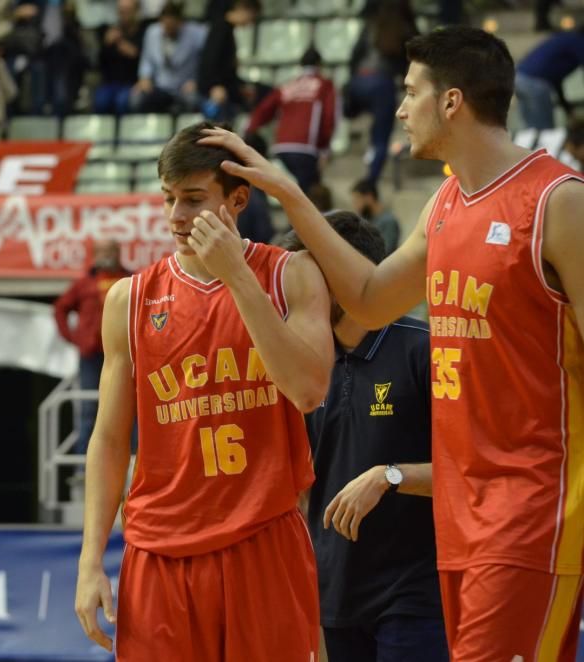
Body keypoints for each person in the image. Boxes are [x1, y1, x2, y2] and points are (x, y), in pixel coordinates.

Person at [200, 24, 584, 661]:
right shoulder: (445, 203)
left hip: (532, 513)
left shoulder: (558, 202)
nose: (399, 108)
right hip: (459, 520)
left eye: (411, 92)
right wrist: (291, 194)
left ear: (452, 101)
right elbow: (372, 296)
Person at [75, 121, 333, 659]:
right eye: (169, 199)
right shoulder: (130, 298)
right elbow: (107, 439)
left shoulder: (292, 276)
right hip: (159, 549)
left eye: (193, 199)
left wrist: (237, 276)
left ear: (237, 199)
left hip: (262, 537)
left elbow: (308, 390)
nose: (176, 216)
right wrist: (90, 560)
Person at [280, 213, 448, 662]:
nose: (294, 287)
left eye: (307, 273)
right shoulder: (299, 364)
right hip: (332, 598)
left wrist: (390, 476)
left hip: (416, 595)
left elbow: (472, 474)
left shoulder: (424, 350)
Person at [53, 240, 131, 457]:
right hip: (91, 354)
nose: (107, 254)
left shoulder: (131, 279)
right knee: (88, 409)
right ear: (95, 254)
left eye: (111, 250)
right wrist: (73, 338)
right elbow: (60, 308)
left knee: (129, 408)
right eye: (103, 251)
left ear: (119, 252)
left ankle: (135, 464)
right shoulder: (83, 282)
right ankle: (82, 465)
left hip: (123, 354)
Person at [345, 0, 418, 183]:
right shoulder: (405, 29)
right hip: (381, 85)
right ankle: (371, 181)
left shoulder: (370, 26)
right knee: (380, 139)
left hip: (358, 82)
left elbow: (354, 56)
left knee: (372, 128)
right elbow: (414, 61)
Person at [245, 46, 337, 192]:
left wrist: (249, 132)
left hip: (281, 147)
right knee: (312, 197)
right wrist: (325, 149)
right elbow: (329, 117)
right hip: (306, 147)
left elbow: (263, 110)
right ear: (319, 65)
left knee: (297, 193)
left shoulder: (287, 85)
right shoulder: (325, 85)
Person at [130, 2, 207, 113]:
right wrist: (144, 78)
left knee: (193, 100)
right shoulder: (152, 32)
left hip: (185, 86)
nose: (168, 29)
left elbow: (206, 61)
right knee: (136, 98)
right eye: (165, 25)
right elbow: (146, 59)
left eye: (172, 26)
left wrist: (197, 81)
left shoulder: (197, 33)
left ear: (180, 22)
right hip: (160, 86)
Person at [514, 29, 584, 131]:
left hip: (518, 78)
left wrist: (568, 111)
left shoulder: (565, 38)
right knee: (545, 131)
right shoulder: (578, 41)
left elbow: (556, 82)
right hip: (535, 82)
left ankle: (533, 145)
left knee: (532, 130)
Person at [94, 0, 148, 116]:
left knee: (122, 101)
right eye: (120, 11)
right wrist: (105, 45)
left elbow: (142, 59)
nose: (123, 15)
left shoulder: (143, 32)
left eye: (127, 11)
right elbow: (98, 63)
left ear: (136, 12)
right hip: (110, 83)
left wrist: (123, 45)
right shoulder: (110, 32)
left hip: (132, 82)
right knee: (100, 101)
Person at [350, 178, 400, 251]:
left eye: (357, 199)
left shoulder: (389, 221)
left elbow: (386, 250)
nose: (355, 205)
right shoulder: (365, 219)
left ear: (369, 197)